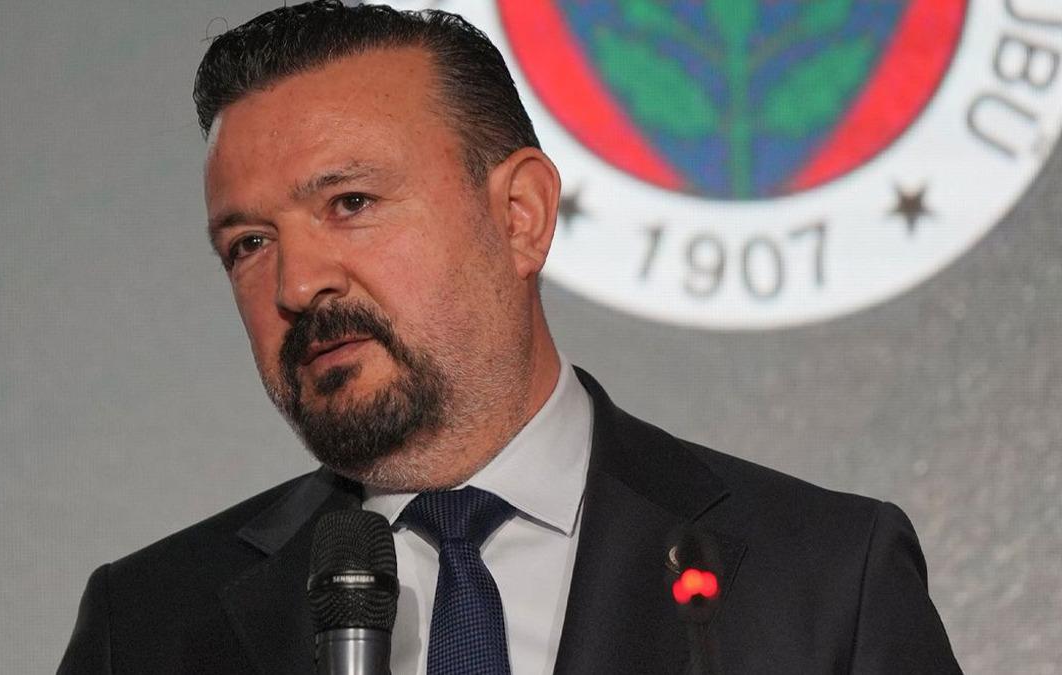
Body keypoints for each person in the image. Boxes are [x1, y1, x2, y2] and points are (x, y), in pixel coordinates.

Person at [59, 2, 960, 673]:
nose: (296, 285)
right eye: (249, 244)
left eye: (351, 202)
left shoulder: (824, 580)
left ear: (520, 214)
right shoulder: (146, 628)